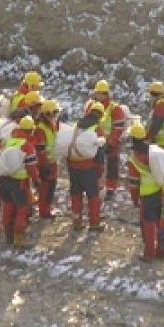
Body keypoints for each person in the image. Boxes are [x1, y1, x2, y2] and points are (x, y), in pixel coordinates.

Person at [0, 116, 41, 247]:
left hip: (5, 179)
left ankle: (8, 234)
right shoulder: (27, 146)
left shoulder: (9, 141)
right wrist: (36, 181)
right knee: (22, 208)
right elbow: (31, 167)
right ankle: (19, 237)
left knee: (8, 206)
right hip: (19, 182)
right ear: (31, 131)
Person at [126, 123, 164, 261]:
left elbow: (133, 183)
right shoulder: (154, 151)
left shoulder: (135, 159)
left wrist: (135, 199)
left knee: (148, 225)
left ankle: (149, 253)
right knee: (161, 222)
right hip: (162, 191)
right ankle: (161, 251)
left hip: (148, 196)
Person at [67, 101, 106, 232]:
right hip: (88, 166)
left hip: (73, 164)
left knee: (76, 194)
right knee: (93, 195)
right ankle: (94, 223)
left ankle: (76, 221)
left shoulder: (77, 125)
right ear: (100, 116)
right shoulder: (96, 129)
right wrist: (100, 169)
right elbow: (100, 151)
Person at [85, 80, 126, 201]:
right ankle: (95, 186)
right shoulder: (90, 106)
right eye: (99, 93)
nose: (101, 96)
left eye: (103, 93)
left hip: (110, 142)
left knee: (112, 166)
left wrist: (112, 142)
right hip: (95, 142)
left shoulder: (115, 108)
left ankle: (111, 188)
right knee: (95, 166)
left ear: (108, 94)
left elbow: (119, 128)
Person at [35, 99, 61, 219]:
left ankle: (47, 209)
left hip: (52, 162)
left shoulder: (51, 125)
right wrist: (44, 164)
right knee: (45, 189)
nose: (54, 117)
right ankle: (44, 212)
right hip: (45, 164)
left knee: (51, 188)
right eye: (52, 114)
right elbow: (40, 149)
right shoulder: (41, 129)